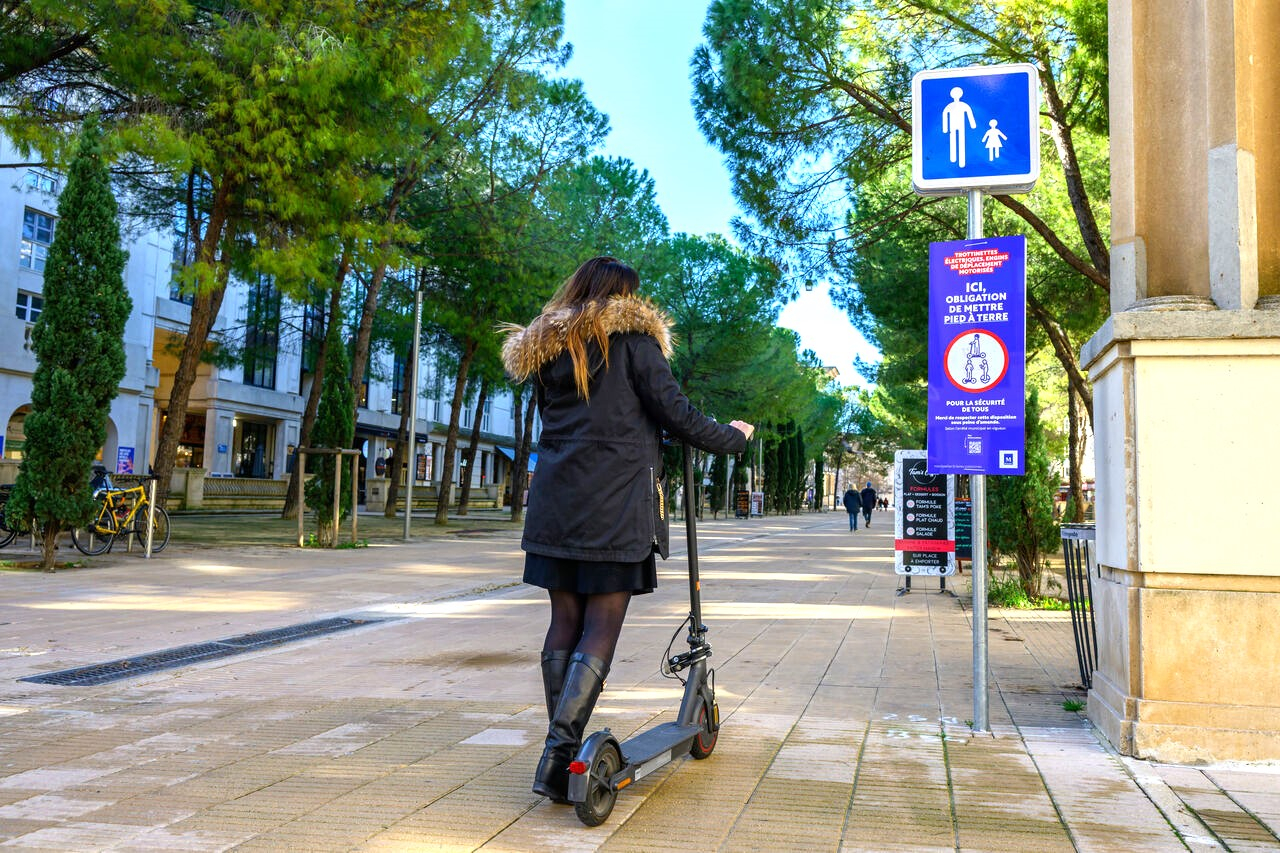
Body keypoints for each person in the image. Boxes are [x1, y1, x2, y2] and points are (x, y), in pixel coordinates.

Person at [501, 256, 754, 804]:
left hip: (555, 502)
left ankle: (559, 755)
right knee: (600, 625)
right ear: (625, 297)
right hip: (612, 505)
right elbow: (678, 415)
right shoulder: (636, 344)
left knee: (563, 620)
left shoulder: (548, 352)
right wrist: (733, 437)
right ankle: (557, 756)